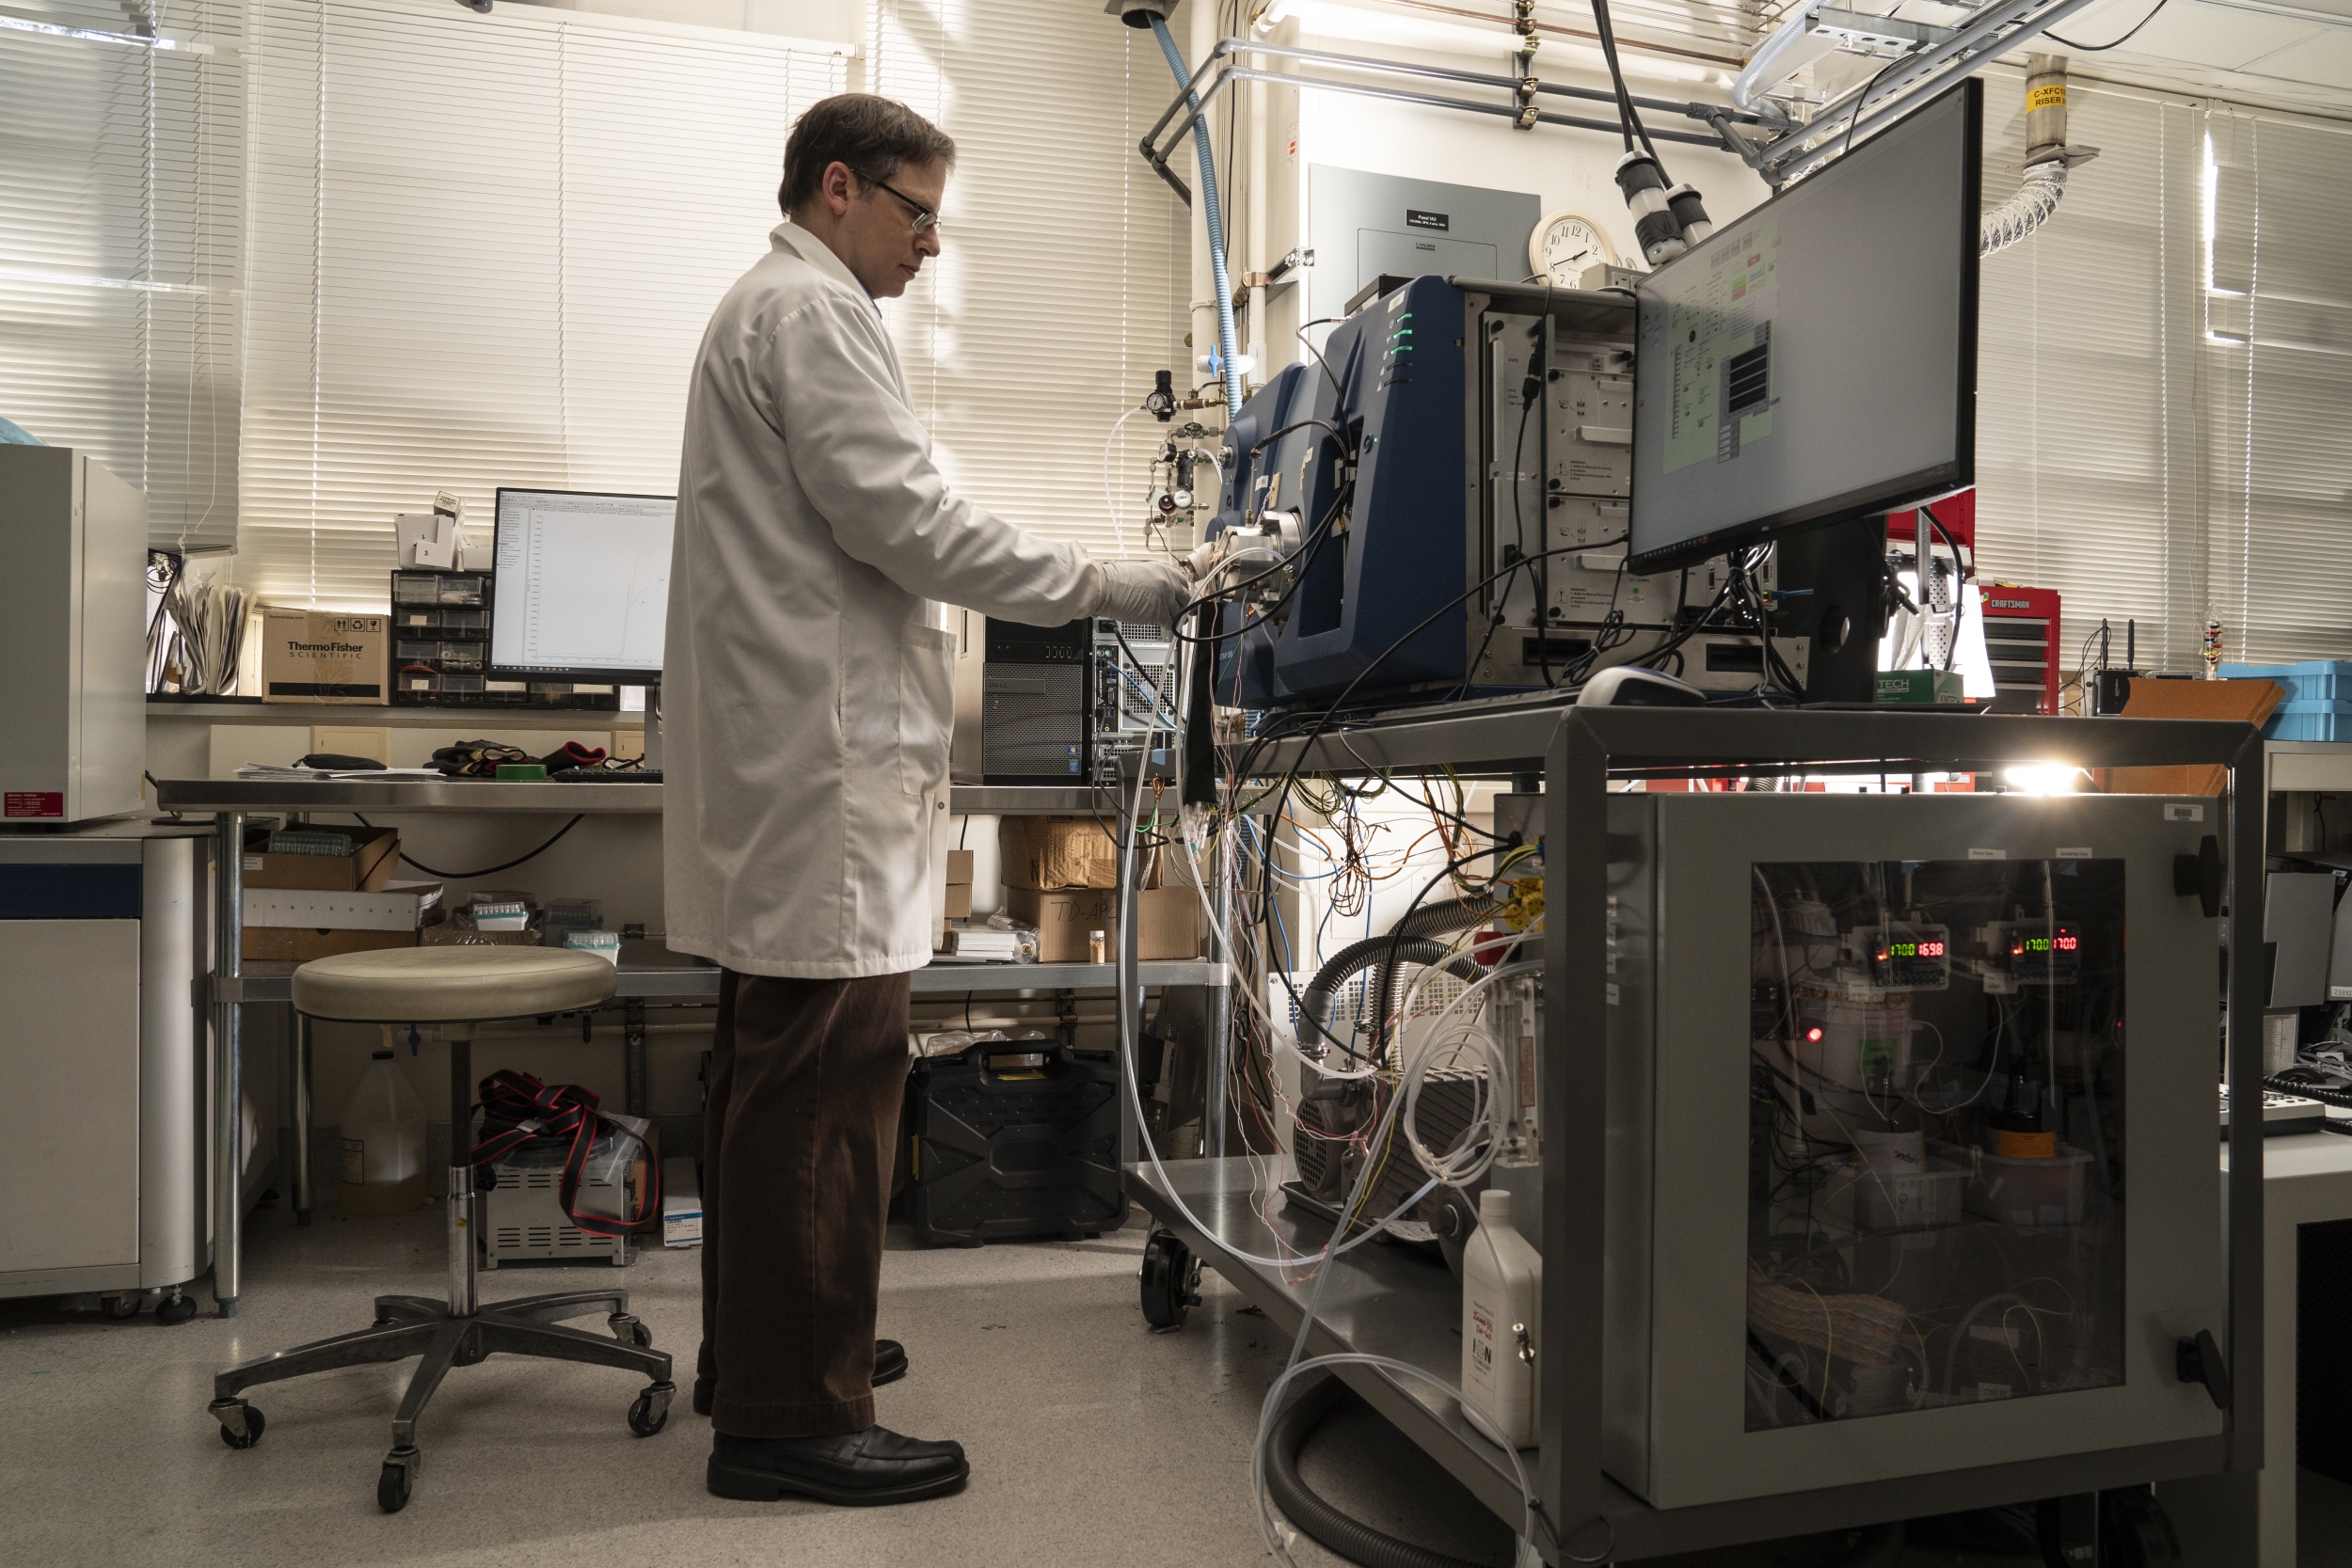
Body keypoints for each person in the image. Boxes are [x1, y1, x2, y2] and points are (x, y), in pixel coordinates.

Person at [662, 93, 1193, 1509]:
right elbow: (908, 521)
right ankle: (789, 1418)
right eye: (919, 214)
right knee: (828, 1092)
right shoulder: (811, 311)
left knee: (771, 1080)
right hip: (815, 775)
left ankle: (764, 1352)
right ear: (841, 189)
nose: (931, 248)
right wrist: (1110, 584)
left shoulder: (772, 310)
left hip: (792, 768)